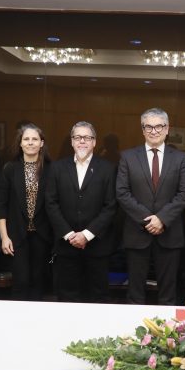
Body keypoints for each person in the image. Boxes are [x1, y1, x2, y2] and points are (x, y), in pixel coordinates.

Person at [116, 108, 185, 305]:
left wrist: (162, 219)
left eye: (159, 126)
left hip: (170, 233)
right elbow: (122, 193)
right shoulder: (128, 157)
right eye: (148, 127)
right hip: (137, 233)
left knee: (168, 294)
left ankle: (168, 327)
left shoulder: (180, 158)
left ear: (167, 129)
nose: (154, 131)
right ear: (142, 130)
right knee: (135, 294)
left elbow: (184, 193)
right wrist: (149, 220)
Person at [45, 121, 117, 302]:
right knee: (67, 299)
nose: (82, 141)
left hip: (97, 247)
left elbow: (111, 206)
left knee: (98, 300)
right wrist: (69, 235)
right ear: (72, 141)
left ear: (94, 142)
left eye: (87, 137)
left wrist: (86, 235)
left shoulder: (108, 169)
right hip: (66, 247)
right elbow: (51, 203)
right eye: (78, 137)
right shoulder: (57, 168)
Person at [0, 123, 53, 301]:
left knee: (38, 282)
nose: (30, 142)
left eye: (35, 139)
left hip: (43, 235)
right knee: (20, 282)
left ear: (41, 143)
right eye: (26, 139)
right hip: (16, 235)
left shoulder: (51, 169)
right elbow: (1, 205)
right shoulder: (10, 169)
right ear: (20, 143)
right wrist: (4, 237)